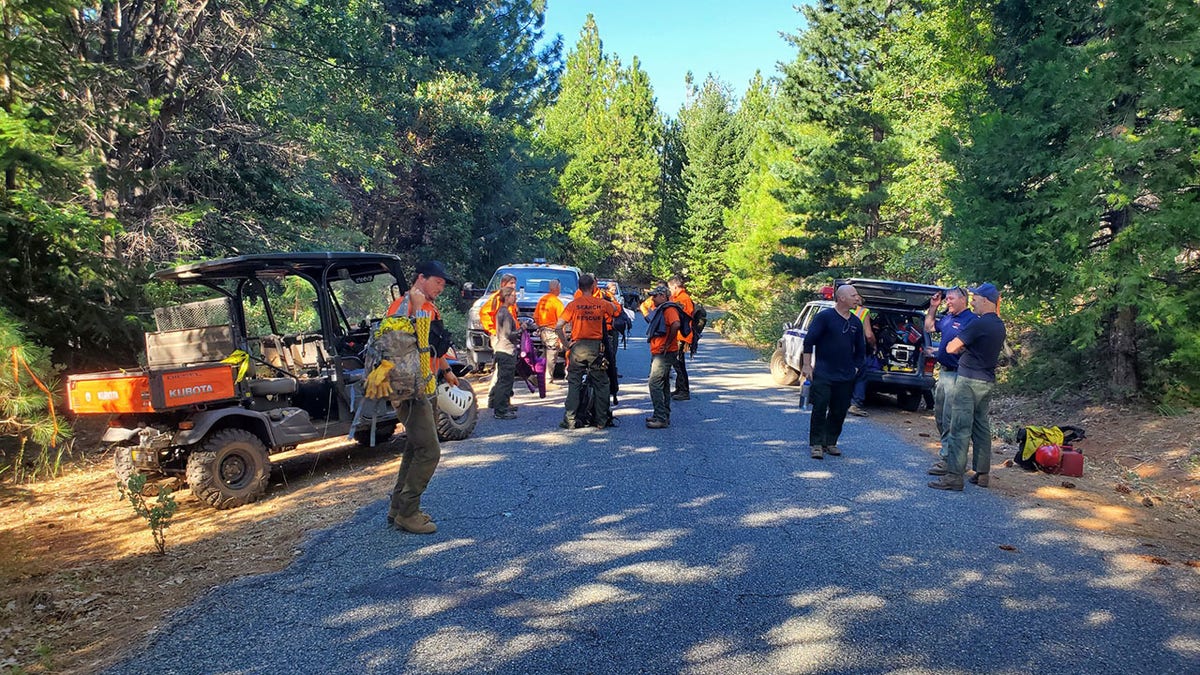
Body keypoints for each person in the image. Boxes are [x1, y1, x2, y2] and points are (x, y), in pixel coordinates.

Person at [385, 261, 460, 534]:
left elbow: (430, 345)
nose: (441, 288)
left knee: (415, 447)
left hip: (426, 386)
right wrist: (414, 308)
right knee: (430, 450)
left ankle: (397, 509)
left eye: (442, 284)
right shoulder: (403, 306)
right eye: (438, 282)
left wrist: (447, 370)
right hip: (409, 390)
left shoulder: (430, 307)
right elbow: (397, 345)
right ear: (421, 278)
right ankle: (408, 512)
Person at [928, 283, 1007, 491]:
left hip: (968, 380)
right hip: (986, 381)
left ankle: (954, 476)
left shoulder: (978, 324)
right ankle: (982, 474)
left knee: (959, 427)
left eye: (975, 298)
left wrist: (960, 346)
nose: (973, 302)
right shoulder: (999, 325)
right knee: (981, 426)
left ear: (986, 300)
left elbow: (951, 347)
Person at [800, 284, 867, 460]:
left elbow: (861, 350)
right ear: (842, 298)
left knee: (839, 410)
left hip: (845, 375)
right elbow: (809, 342)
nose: (857, 298)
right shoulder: (825, 317)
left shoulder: (856, 323)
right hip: (824, 373)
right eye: (853, 295)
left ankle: (830, 442)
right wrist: (807, 366)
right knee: (820, 408)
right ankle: (816, 444)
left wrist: (856, 368)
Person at [555, 274, 621, 429]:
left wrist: (566, 344)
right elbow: (616, 311)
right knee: (601, 383)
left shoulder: (573, 305)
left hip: (577, 348)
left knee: (574, 383)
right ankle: (601, 420)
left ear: (579, 287)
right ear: (593, 287)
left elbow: (558, 326)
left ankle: (570, 420)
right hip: (596, 348)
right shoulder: (601, 304)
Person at [924, 286, 976, 478]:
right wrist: (933, 307)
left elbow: (971, 347)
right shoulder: (948, 318)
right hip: (944, 374)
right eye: (947, 299)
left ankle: (949, 460)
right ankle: (949, 457)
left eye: (951, 299)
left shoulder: (971, 321)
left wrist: (945, 352)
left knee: (950, 419)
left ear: (964, 300)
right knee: (939, 417)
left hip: (958, 375)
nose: (948, 302)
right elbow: (929, 327)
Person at [644, 286, 681, 428]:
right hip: (660, 352)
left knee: (654, 382)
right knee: (663, 383)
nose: (652, 299)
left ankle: (661, 418)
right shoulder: (662, 308)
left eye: (655, 296)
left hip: (664, 353)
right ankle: (663, 414)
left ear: (663, 296)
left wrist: (667, 343)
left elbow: (676, 324)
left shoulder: (669, 309)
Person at [488, 287, 520, 419]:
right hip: (506, 350)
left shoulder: (501, 311)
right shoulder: (505, 313)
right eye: (513, 295)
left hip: (502, 349)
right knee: (505, 381)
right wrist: (521, 330)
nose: (515, 297)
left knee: (505, 380)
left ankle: (503, 405)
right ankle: (500, 410)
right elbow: (508, 334)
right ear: (506, 297)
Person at [848, 301, 877, 416]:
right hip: (857, 348)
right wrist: (874, 346)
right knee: (861, 375)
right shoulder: (864, 311)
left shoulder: (839, 308)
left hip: (841, 347)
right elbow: (869, 335)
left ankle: (833, 401)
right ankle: (855, 404)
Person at [533, 279, 565, 383]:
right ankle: (547, 379)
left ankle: (535, 376)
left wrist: (541, 327)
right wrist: (562, 339)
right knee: (552, 354)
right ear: (557, 288)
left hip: (543, 331)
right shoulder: (557, 302)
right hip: (552, 331)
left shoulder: (542, 300)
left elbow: (536, 317)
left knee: (545, 354)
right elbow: (561, 323)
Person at [667, 276, 694, 400]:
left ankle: (684, 391)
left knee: (679, 363)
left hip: (682, 336)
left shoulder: (684, 299)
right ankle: (679, 388)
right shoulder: (677, 298)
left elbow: (682, 317)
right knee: (677, 362)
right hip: (678, 335)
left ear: (675, 287)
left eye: (670, 288)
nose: (670, 290)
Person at [479, 273, 518, 338]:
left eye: (514, 283)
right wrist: (492, 330)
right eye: (511, 283)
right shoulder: (497, 298)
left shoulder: (510, 298)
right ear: (503, 284)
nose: (514, 286)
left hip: (509, 335)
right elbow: (484, 313)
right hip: (499, 337)